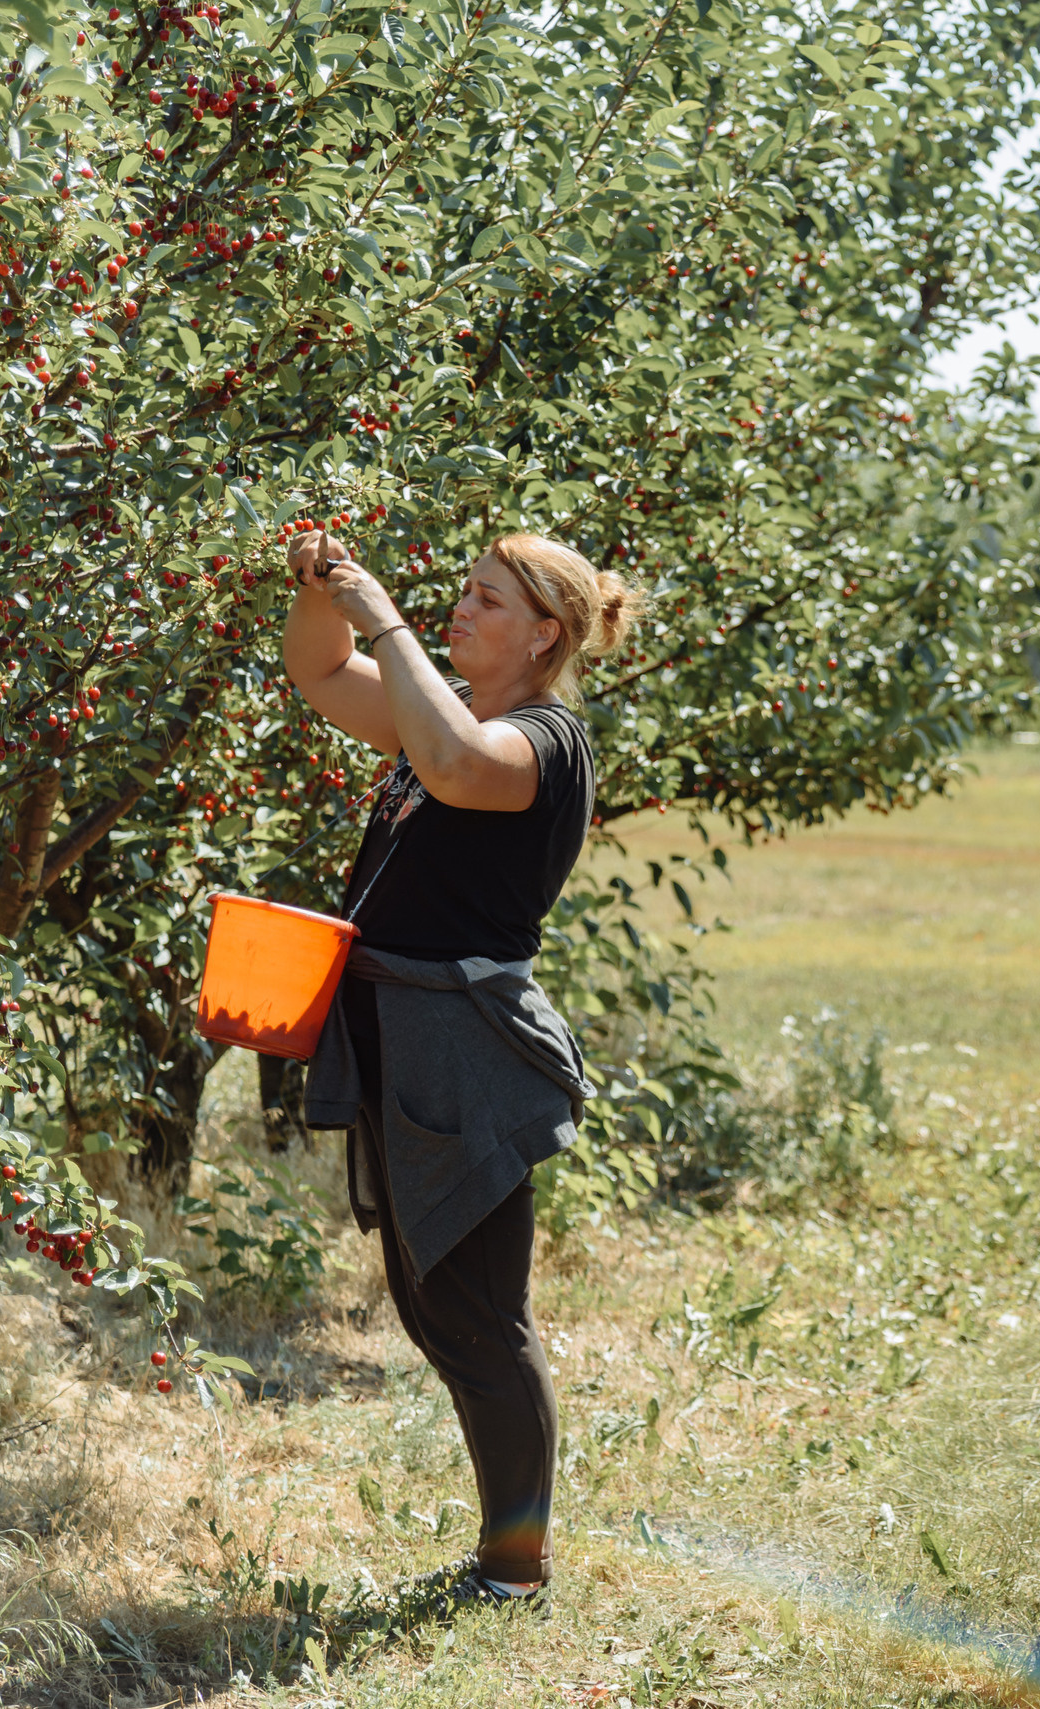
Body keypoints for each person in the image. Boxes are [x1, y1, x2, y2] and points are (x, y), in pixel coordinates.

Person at [282, 525, 641, 1604]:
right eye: (464, 591)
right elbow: (314, 669)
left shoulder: (542, 738)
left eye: (490, 600)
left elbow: (450, 766)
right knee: (436, 1300)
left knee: (482, 1311)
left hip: (466, 1050)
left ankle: (515, 1567)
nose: (462, 608)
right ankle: (506, 1550)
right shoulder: (449, 715)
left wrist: (380, 610)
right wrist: (317, 590)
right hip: (402, 1034)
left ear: (545, 634)